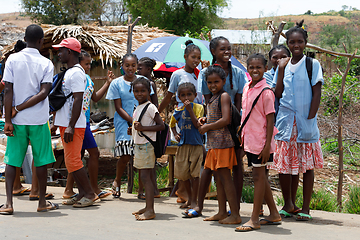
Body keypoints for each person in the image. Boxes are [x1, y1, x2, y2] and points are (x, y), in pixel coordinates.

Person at [186, 36, 248, 217]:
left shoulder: (236, 73)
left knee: (235, 166)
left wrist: (237, 127)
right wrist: (207, 121)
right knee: (209, 167)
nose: (227, 52)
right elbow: (208, 103)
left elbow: (239, 102)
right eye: (223, 49)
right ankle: (200, 205)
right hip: (214, 127)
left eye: (229, 48)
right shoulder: (207, 74)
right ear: (213, 52)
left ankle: (233, 208)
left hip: (232, 125)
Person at [0, 24, 58, 214]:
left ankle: (8, 204)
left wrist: (9, 117)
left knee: (12, 160)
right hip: (39, 120)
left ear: (25, 39)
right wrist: (20, 108)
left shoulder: (12, 60)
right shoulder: (46, 63)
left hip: (16, 121)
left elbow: (7, 89)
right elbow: (43, 93)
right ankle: (41, 202)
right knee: (41, 161)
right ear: (41, 41)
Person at [272, 20, 324, 221]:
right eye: (292, 42)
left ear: (305, 43)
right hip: (286, 122)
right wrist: (282, 69)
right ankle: (288, 204)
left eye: (299, 42)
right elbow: (278, 93)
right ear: (288, 42)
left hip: (305, 122)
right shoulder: (282, 64)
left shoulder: (312, 64)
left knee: (307, 165)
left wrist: (310, 117)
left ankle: (306, 208)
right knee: (285, 165)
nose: (296, 45)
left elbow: (317, 92)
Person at [235, 54, 281, 232]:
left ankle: (254, 219)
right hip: (249, 140)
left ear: (265, 69)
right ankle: (274, 214)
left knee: (258, 177)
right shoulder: (247, 87)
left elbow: (270, 120)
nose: (255, 70)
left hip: (261, 142)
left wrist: (267, 145)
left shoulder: (266, 91)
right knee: (260, 177)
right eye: (251, 67)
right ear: (247, 68)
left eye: (259, 67)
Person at [52, 37, 99, 207]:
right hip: (68, 123)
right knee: (72, 160)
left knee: (73, 160)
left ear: (70, 52)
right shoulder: (71, 71)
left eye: (61, 50)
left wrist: (71, 126)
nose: (59, 53)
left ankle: (89, 194)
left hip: (74, 125)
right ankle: (82, 193)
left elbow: (78, 100)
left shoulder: (77, 73)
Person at [62, 50, 114, 200]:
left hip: (83, 121)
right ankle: (92, 188)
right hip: (79, 122)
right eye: (86, 64)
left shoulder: (87, 79)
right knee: (91, 153)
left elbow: (95, 97)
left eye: (90, 64)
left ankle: (70, 189)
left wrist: (107, 83)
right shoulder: (76, 76)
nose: (89, 66)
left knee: (78, 155)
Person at [105, 53, 154, 198]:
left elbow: (148, 102)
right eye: (127, 65)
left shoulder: (144, 81)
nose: (130, 68)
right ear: (122, 66)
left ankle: (141, 190)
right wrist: (132, 121)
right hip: (123, 123)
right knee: (125, 155)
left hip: (142, 124)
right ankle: (117, 181)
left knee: (140, 155)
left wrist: (144, 121)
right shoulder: (116, 84)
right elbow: (118, 107)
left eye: (133, 65)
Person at [197, 65, 241, 224]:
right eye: (209, 82)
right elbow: (216, 116)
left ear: (223, 81)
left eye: (216, 81)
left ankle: (235, 214)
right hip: (213, 144)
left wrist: (208, 126)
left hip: (223, 143)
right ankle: (222, 211)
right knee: (219, 179)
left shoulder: (224, 96)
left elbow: (225, 120)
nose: (213, 85)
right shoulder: (212, 98)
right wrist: (205, 120)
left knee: (225, 179)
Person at [130, 77, 164, 220]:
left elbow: (161, 126)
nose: (139, 94)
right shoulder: (138, 107)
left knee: (146, 177)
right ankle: (147, 206)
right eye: (136, 91)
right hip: (140, 145)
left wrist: (142, 128)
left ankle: (150, 210)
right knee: (145, 176)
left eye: (143, 91)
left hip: (146, 145)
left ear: (149, 91)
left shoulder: (150, 107)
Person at [169, 82, 204, 211]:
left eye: (189, 94)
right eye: (182, 95)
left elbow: (197, 125)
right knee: (183, 175)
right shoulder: (178, 111)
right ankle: (189, 198)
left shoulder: (198, 108)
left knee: (195, 175)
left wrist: (190, 110)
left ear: (195, 95)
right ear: (179, 97)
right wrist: (175, 133)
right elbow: (172, 123)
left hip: (196, 144)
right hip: (183, 145)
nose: (186, 98)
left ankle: (194, 201)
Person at [136, 57, 160, 199]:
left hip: (148, 127)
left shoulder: (148, 84)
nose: (138, 70)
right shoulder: (147, 84)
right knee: (146, 166)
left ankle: (146, 193)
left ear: (148, 69)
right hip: (146, 126)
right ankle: (151, 191)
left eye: (140, 68)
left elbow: (153, 102)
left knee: (146, 167)